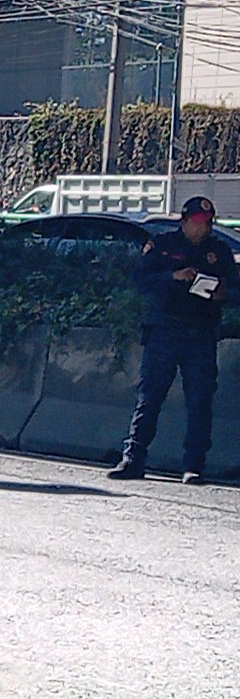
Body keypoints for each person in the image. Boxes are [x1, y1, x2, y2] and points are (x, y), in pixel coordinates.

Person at [108, 195, 234, 485]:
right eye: (197, 223)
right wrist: (173, 277)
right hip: (164, 330)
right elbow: (140, 281)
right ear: (184, 221)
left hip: (200, 333)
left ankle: (194, 465)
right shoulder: (163, 246)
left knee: (199, 401)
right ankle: (133, 458)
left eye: (207, 223)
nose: (202, 229)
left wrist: (221, 294)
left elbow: (234, 290)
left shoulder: (219, 251)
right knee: (150, 397)